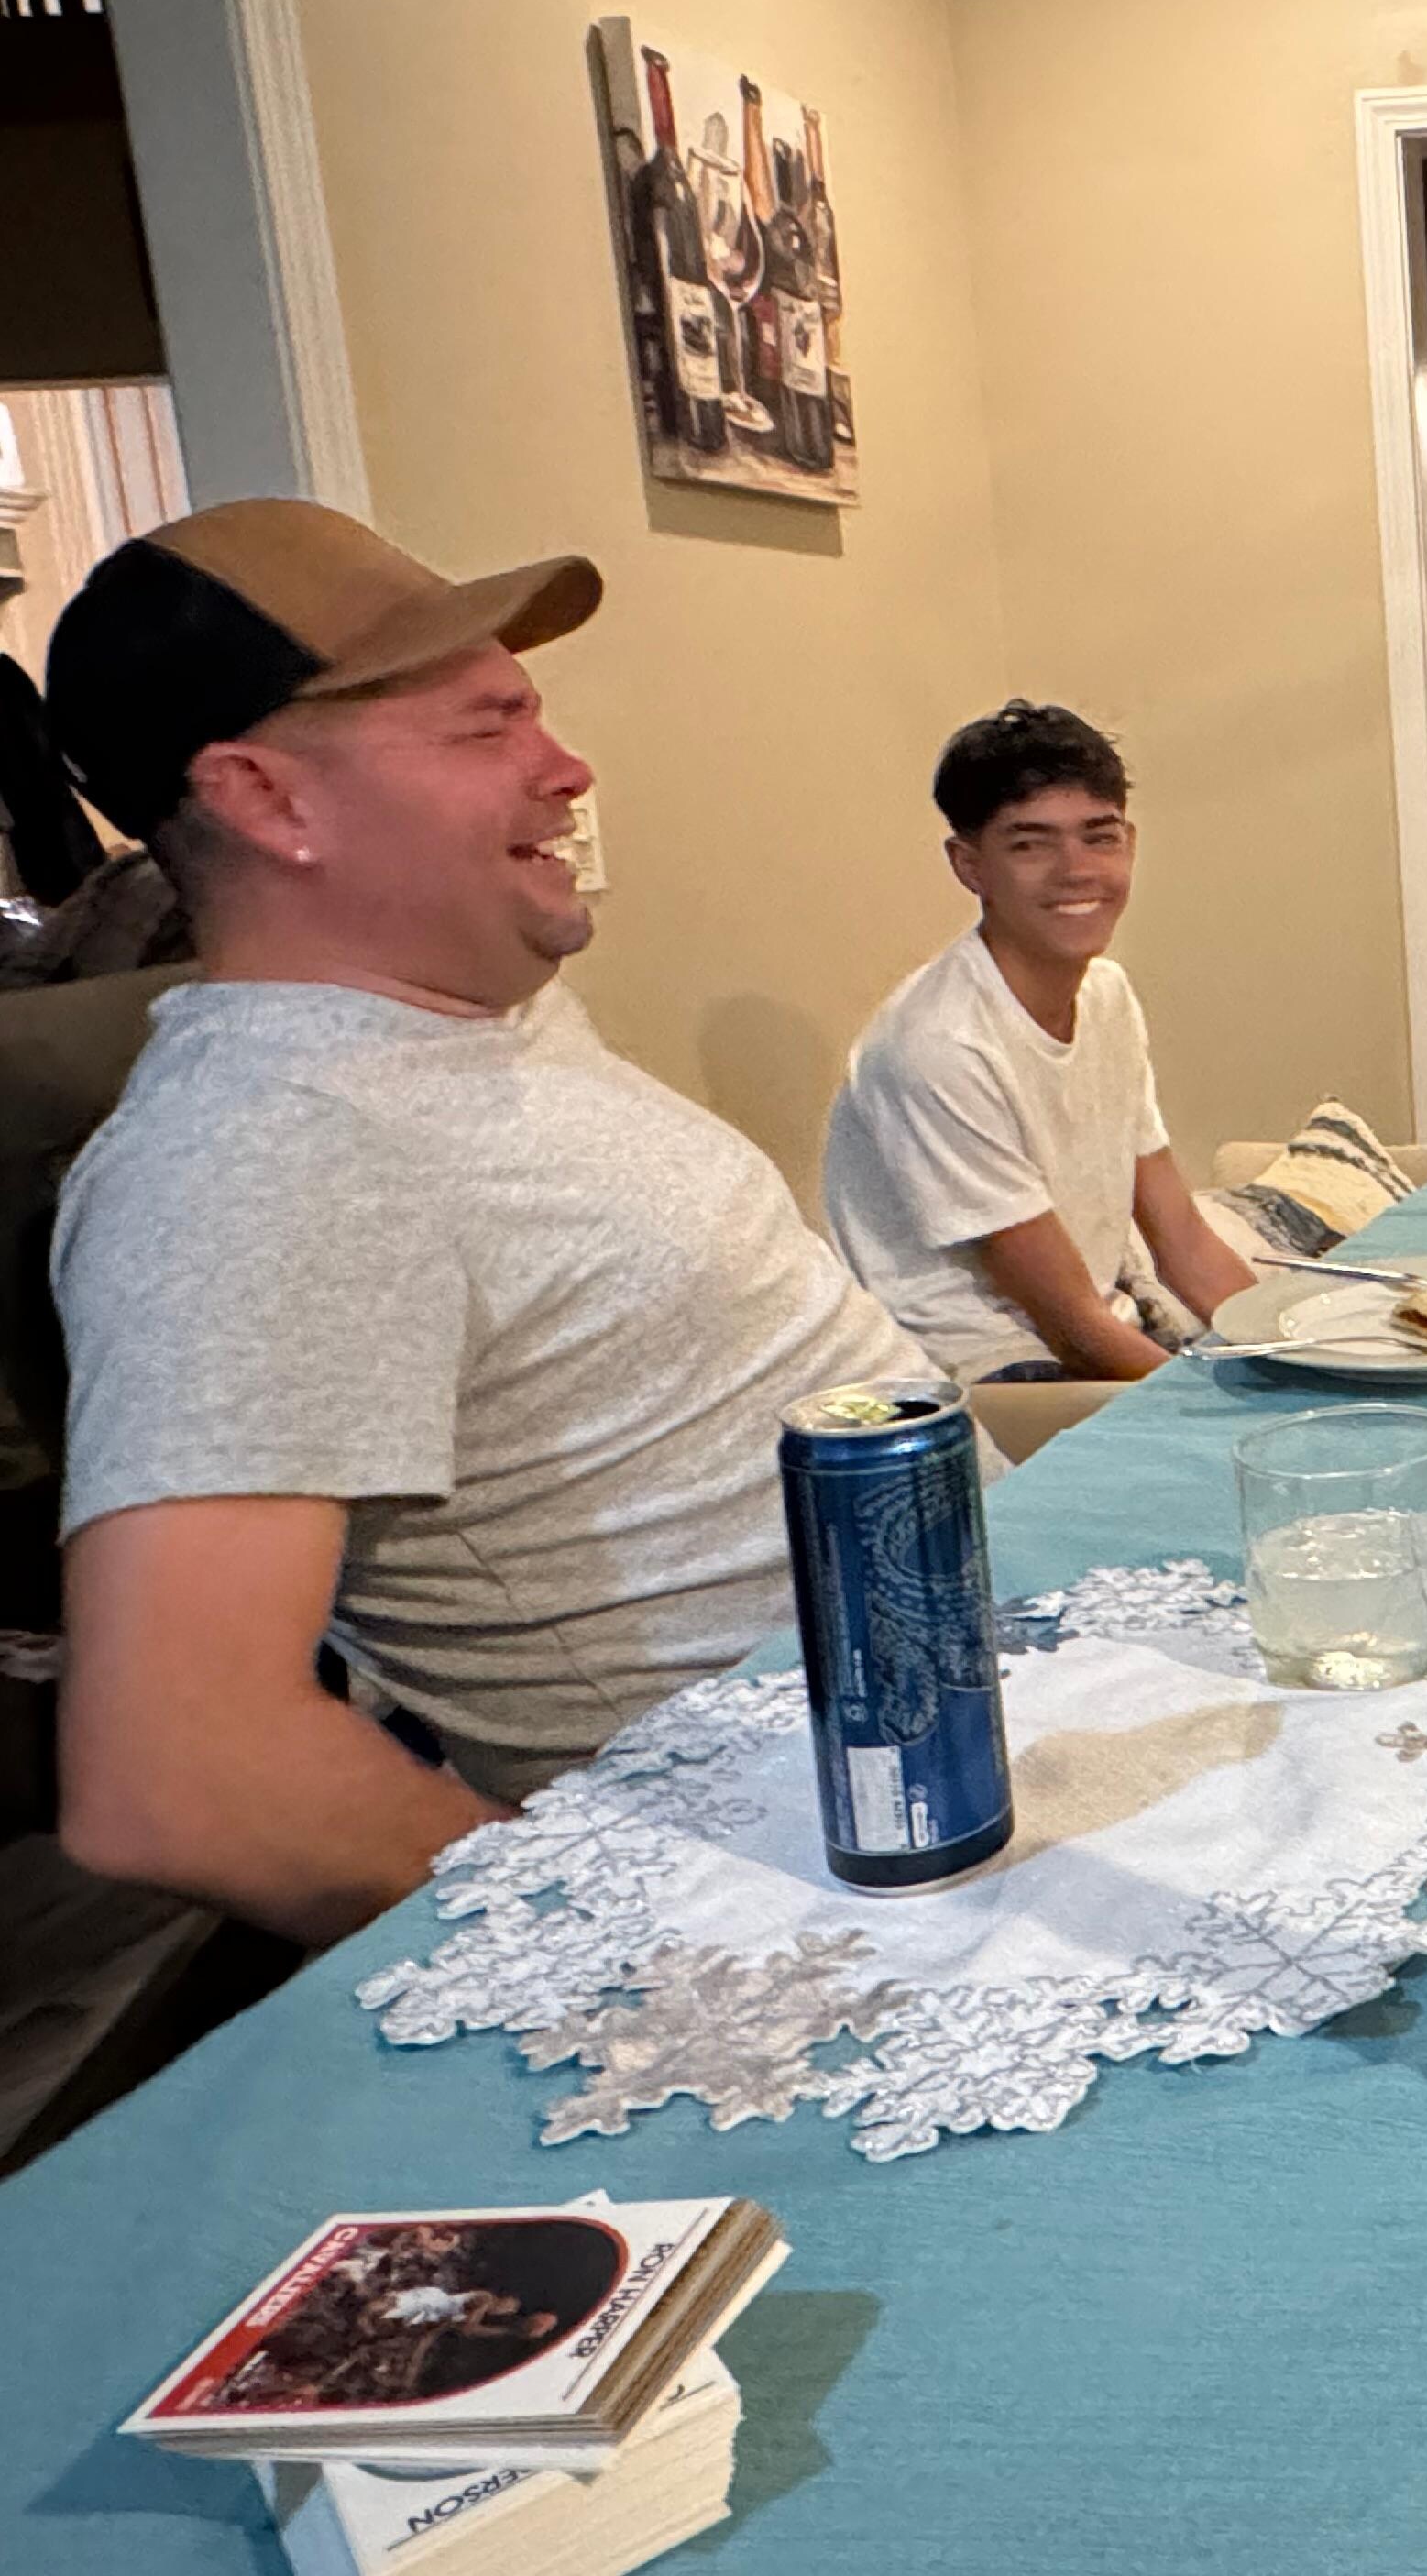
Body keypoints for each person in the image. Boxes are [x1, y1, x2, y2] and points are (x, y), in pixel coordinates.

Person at [44, 500, 948, 1945]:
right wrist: (647, 1958)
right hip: (827, 1868)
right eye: (486, 729)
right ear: (268, 799)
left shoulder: (464, 1024)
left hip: (958, 1717)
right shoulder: (266, 1156)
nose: (567, 769)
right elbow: (183, 1775)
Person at [821, 700, 1251, 1382]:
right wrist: (1223, 1411)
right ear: (969, 865)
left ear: (1129, 843)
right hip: (994, 1372)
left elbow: (1186, 1246)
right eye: (1031, 844)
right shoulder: (936, 1046)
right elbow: (1072, 1328)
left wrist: (1301, 1354)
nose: (1075, 870)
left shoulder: (1106, 995)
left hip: (1098, 1330)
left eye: (1099, 837)